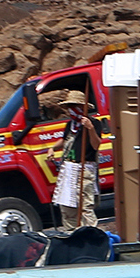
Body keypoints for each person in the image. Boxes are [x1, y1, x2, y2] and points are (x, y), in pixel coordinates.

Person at [51, 93, 102, 230]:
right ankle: (72, 235)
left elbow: (96, 145)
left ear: (82, 107)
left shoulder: (95, 123)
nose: (71, 110)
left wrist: (90, 128)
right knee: (67, 208)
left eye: (74, 106)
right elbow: (65, 139)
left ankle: (92, 236)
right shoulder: (70, 125)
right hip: (69, 169)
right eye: (69, 107)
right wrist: (52, 148)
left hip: (84, 169)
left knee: (85, 207)